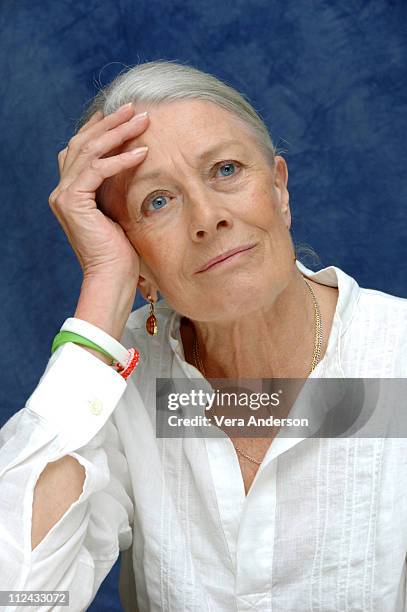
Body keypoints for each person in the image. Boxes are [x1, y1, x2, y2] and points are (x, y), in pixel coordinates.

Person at [1, 60, 407, 612]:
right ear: (136, 262)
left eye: (225, 170)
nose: (207, 216)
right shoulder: (115, 386)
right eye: (158, 201)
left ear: (280, 191)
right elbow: (19, 597)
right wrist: (101, 293)